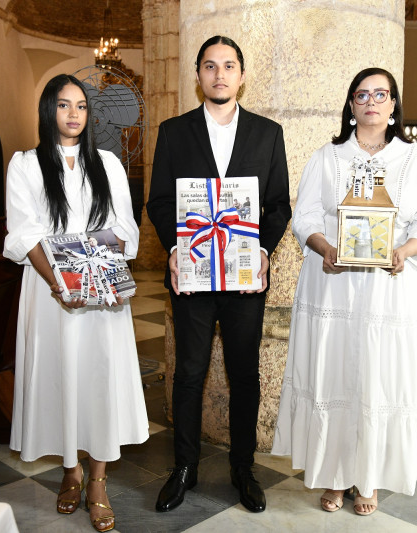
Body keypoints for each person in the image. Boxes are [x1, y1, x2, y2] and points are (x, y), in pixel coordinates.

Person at [271, 67, 417, 516]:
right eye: (362, 95)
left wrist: (405, 251)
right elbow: (306, 216)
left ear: (393, 107)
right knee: (333, 373)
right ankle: (333, 474)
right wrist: (323, 246)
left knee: (377, 376)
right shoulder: (327, 158)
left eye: (381, 94)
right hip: (333, 285)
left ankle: (367, 478)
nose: (371, 101)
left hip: (391, 288)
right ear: (351, 107)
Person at [146, 35, 291, 514]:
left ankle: (242, 468)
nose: (220, 74)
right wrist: (175, 245)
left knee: (245, 375)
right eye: (210, 66)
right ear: (199, 75)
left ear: (242, 76)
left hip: (244, 278)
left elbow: (278, 206)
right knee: (188, 373)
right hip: (193, 273)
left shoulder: (267, 134)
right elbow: (160, 202)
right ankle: (184, 466)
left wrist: (264, 250)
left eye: (229, 66)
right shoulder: (173, 131)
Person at [3, 73, 149, 532]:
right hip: (50, 293)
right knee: (62, 376)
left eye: (81, 106)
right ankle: (70, 471)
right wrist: (59, 282)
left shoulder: (108, 163)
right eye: (64, 105)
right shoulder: (25, 164)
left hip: (100, 292)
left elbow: (125, 226)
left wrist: (99, 270)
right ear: (49, 111)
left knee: (99, 378)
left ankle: (98, 481)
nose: (73, 114)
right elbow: (25, 231)